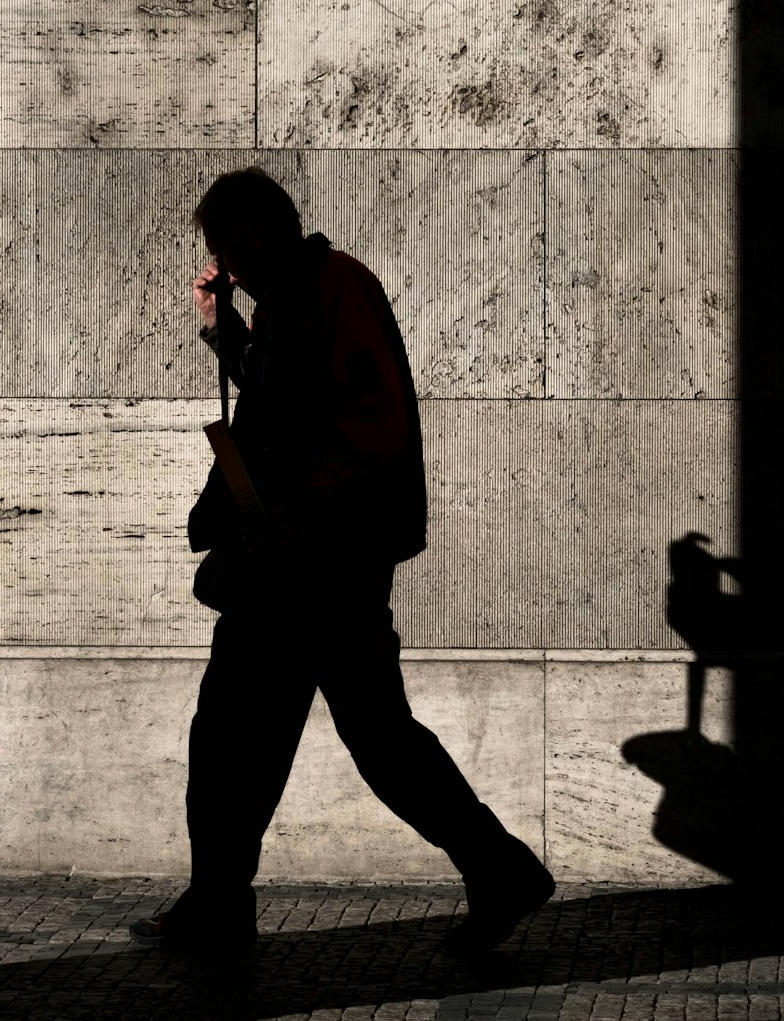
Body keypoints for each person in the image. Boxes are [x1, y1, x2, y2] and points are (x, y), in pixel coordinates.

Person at [130, 167, 554, 958]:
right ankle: (494, 870)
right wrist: (225, 330)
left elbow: (370, 427)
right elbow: (287, 401)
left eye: (227, 250)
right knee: (265, 735)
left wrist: (296, 512)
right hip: (297, 559)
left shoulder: (337, 289)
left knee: (280, 735)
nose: (226, 267)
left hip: (319, 561)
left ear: (255, 236)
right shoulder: (297, 297)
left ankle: (493, 869)